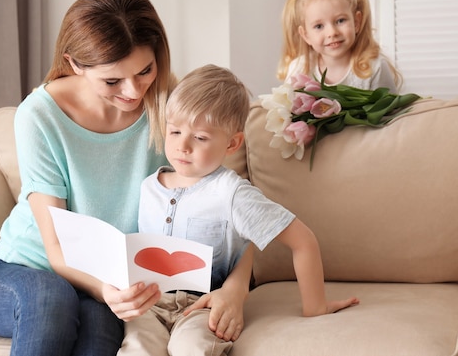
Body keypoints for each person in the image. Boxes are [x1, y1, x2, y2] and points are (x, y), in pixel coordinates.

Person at [0, 0, 252, 356]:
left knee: (100, 331)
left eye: (145, 70)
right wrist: (105, 290)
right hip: (19, 271)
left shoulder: (171, 106)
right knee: (52, 299)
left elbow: (234, 209)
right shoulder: (40, 114)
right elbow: (55, 247)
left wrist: (235, 289)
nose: (133, 91)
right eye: (112, 81)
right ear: (76, 64)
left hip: (105, 284)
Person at [118, 64, 359, 356]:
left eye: (200, 137)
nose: (183, 146)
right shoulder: (149, 188)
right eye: (175, 131)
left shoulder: (232, 193)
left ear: (232, 143)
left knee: (191, 350)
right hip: (149, 306)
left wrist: (315, 307)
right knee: (137, 350)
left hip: (204, 308)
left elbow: (303, 240)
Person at [278, 0, 403, 93]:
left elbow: (392, 113)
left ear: (356, 22)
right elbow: (290, 109)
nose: (332, 33)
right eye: (319, 26)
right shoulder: (299, 69)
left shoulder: (374, 67)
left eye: (340, 21)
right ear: (306, 35)